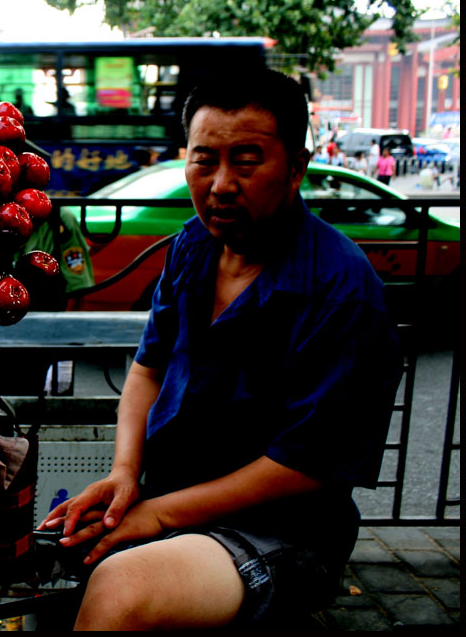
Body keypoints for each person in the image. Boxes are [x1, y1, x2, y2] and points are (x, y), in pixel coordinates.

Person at [40, 69, 403, 630]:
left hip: (281, 530)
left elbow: (300, 469)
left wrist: (156, 515)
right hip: (169, 497)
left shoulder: (344, 291)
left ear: (296, 169)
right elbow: (146, 370)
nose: (221, 184)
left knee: (121, 586)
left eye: (248, 161)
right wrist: (124, 474)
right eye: (204, 160)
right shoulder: (193, 246)